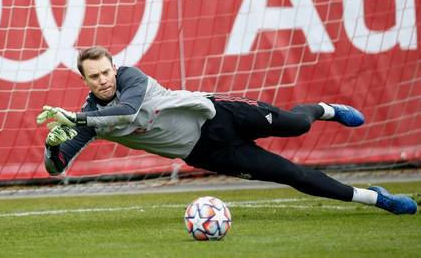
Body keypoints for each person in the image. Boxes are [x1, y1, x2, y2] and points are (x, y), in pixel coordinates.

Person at [37, 46, 417, 215]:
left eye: (106, 71)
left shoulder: (130, 78)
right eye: (95, 76)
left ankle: (325, 109)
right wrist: (54, 148)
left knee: (298, 124)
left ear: (113, 68)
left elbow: (128, 109)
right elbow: (58, 167)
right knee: (292, 174)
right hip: (206, 152)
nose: (103, 79)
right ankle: (375, 198)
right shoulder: (88, 116)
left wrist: (75, 120)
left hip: (219, 114)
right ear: (84, 79)